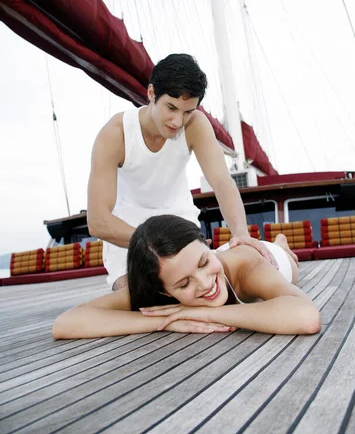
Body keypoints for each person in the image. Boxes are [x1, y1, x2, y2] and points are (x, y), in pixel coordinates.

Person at [87, 53, 276, 291]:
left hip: (180, 226)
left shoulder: (196, 124)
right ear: (151, 93)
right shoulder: (116, 134)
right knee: (141, 295)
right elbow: (97, 221)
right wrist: (157, 244)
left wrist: (240, 232)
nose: (178, 121)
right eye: (171, 107)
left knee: (217, 289)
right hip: (129, 232)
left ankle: (281, 246)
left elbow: (221, 182)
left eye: (187, 111)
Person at [53, 215, 321, 338]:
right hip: (213, 256)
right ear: (165, 292)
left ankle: (282, 242)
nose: (204, 284)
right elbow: (66, 323)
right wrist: (169, 321)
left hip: (270, 259)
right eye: (183, 284)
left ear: (206, 244)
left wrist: (200, 313)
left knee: (289, 260)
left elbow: (306, 317)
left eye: (203, 264)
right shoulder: (164, 278)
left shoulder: (247, 265)